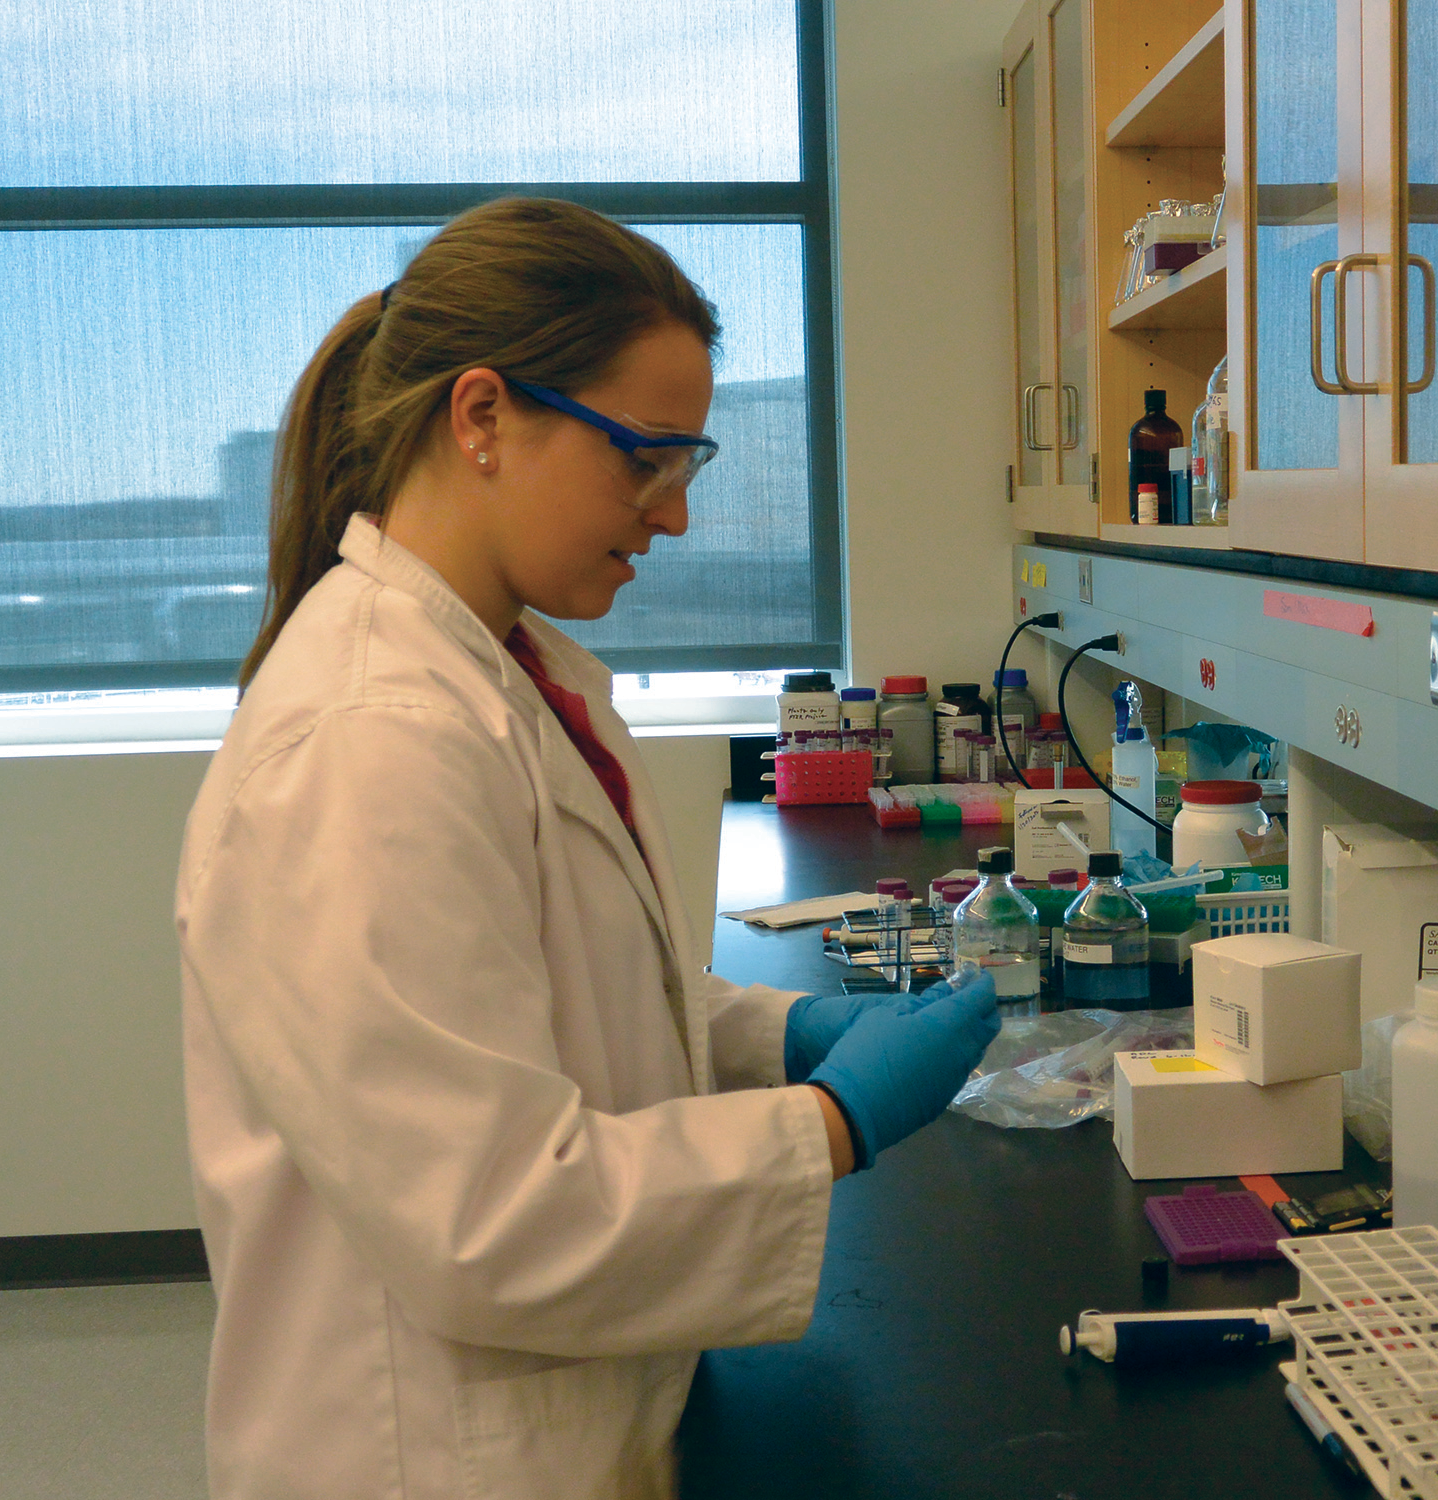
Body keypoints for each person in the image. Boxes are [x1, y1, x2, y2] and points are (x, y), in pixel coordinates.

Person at [175, 196, 1000, 1500]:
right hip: (433, 1456)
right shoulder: (366, 739)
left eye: (690, 464)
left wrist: (760, 1037)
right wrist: (828, 1122)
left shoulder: (502, 671)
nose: (672, 515)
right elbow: (493, 1216)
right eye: (643, 457)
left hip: (576, 1415)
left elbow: (537, 994)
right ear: (482, 416)